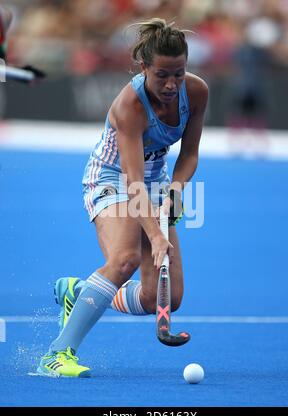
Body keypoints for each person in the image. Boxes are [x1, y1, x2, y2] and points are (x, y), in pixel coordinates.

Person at [37, 18, 208, 378]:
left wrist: (175, 191)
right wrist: (157, 235)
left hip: (157, 180)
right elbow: (132, 182)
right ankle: (57, 353)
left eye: (178, 73)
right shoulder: (129, 105)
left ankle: (80, 292)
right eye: (162, 74)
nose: (172, 84)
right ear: (143, 67)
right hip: (112, 177)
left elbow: (190, 154)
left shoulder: (196, 92)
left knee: (160, 299)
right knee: (125, 257)